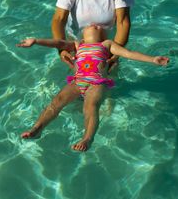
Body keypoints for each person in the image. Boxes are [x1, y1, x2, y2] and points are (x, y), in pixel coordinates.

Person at [17, 25, 169, 152]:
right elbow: (57, 42)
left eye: (98, 27)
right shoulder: (78, 45)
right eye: (90, 26)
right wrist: (36, 41)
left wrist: (152, 59)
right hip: (78, 81)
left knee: (90, 107)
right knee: (57, 101)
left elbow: (128, 53)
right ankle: (37, 128)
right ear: (82, 36)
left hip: (97, 82)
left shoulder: (106, 44)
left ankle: (87, 138)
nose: (95, 25)